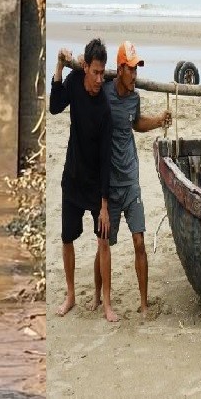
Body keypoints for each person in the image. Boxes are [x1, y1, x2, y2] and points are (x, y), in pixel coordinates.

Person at [101, 41, 171, 315]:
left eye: (137, 69)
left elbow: (136, 122)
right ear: (119, 69)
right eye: (131, 69)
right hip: (109, 182)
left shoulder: (134, 97)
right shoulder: (104, 93)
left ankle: (143, 304)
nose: (135, 75)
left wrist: (158, 120)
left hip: (131, 179)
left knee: (139, 240)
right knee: (104, 243)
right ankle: (97, 296)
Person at [50, 40, 114, 321]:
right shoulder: (75, 81)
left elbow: (105, 160)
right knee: (67, 238)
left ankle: (108, 303)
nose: (100, 79)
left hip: (95, 184)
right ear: (85, 67)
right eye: (96, 72)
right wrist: (59, 67)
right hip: (72, 177)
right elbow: (53, 106)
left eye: (103, 73)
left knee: (103, 240)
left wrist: (104, 205)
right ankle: (71, 295)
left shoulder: (104, 109)